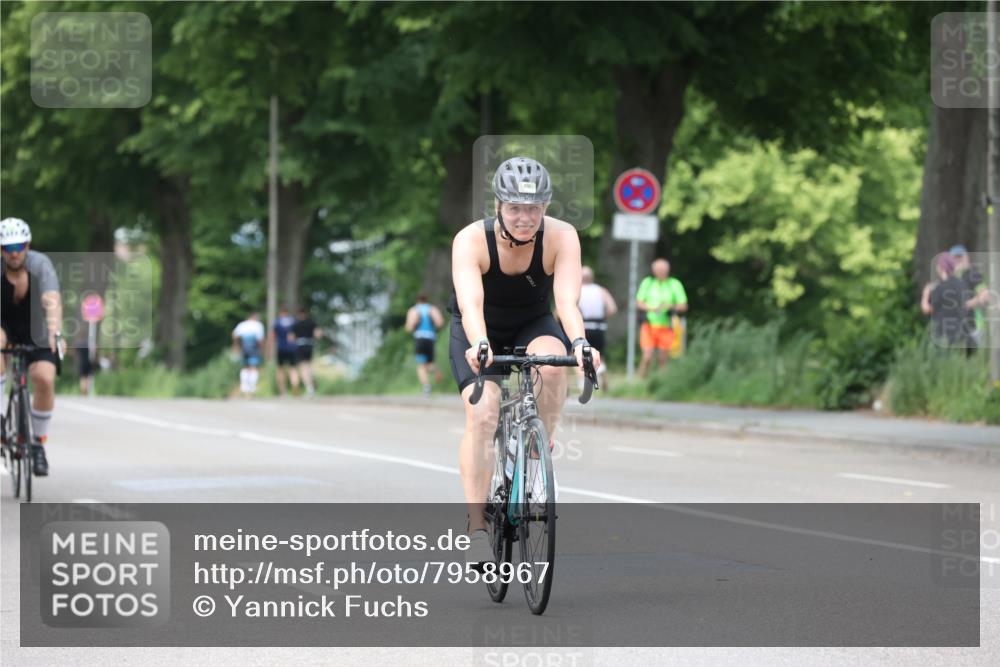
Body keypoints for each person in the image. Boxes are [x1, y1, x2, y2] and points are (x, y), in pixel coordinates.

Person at [449, 157, 600, 564]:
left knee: (553, 366)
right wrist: (479, 342)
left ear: (546, 207)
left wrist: (581, 343)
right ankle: (477, 525)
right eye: (515, 207)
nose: (524, 217)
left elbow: (566, 301)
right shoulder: (471, 240)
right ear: (498, 204)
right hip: (478, 327)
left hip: (532, 322)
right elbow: (471, 302)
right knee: (483, 414)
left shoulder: (562, 237)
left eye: (533, 208)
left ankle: (538, 442)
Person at [0, 217, 64, 476]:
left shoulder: (40, 265)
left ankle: (38, 444)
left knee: (44, 378)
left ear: (28, 245)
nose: (14, 253)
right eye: (7, 248)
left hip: (35, 327)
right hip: (4, 324)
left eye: (19, 247)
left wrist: (55, 333)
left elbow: (52, 301)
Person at [636, 258, 688, 377]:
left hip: (666, 325)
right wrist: (651, 308)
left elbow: (683, 306)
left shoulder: (674, 284)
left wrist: (670, 306)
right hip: (649, 325)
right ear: (654, 271)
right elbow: (639, 302)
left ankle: (661, 382)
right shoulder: (648, 282)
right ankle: (640, 381)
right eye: (658, 270)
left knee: (663, 358)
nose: (661, 272)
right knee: (647, 356)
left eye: (663, 270)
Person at [926, 253, 976, 350]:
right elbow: (967, 304)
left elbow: (928, 309)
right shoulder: (961, 284)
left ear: (941, 268)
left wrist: (925, 293)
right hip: (962, 333)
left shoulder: (939, 287)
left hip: (943, 334)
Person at [578, 266, 617, 389]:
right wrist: (602, 317)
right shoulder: (601, 291)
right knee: (600, 354)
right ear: (592, 278)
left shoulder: (577, 291)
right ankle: (604, 377)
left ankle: (582, 382)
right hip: (599, 327)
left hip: (583, 326)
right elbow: (612, 309)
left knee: (579, 354)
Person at [405, 293, 444, 396]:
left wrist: (416, 323)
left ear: (417, 300)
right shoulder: (432, 309)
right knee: (429, 362)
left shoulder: (414, 310)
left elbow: (409, 327)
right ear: (427, 300)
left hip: (420, 338)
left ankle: (426, 387)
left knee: (421, 365)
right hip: (430, 338)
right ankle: (436, 370)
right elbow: (440, 323)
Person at [232, 312, 265, 397]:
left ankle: (244, 386)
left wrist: (236, 346)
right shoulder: (258, 325)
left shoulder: (242, 324)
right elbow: (260, 339)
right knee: (253, 367)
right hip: (253, 348)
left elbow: (235, 335)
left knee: (244, 366)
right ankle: (252, 387)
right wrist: (261, 350)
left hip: (244, 347)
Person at [292, 306, 322, 398]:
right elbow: (318, 334)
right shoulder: (311, 322)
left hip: (300, 345)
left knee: (303, 368)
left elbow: (291, 337)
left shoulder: (296, 324)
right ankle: (312, 379)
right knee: (309, 365)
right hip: (310, 345)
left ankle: (310, 388)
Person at [271, 306, 300, 396]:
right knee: (293, 369)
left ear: (280, 313)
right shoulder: (293, 321)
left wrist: (270, 348)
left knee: (280, 369)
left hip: (281, 348)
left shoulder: (277, 321)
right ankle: (295, 387)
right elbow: (297, 334)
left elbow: (273, 336)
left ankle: (282, 391)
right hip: (292, 348)